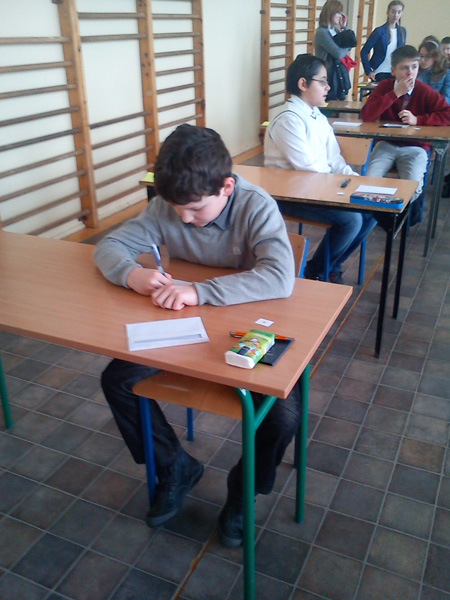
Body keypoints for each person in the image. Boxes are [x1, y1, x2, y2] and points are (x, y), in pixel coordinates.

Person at [94, 124, 301, 548]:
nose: (184, 219)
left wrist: (199, 291)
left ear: (226, 187)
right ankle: (175, 466)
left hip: (248, 327)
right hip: (187, 326)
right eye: (176, 210)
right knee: (116, 379)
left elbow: (280, 277)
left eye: (194, 210)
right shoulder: (168, 206)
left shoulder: (255, 206)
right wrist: (132, 274)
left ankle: (244, 491)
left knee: (283, 415)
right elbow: (109, 245)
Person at [264, 54, 376, 285]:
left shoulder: (317, 116)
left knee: (372, 212)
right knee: (351, 220)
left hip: (318, 188)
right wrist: (341, 188)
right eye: (322, 81)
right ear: (303, 84)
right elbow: (307, 168)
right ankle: (320, 269)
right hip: (291, 193)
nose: (328, 87)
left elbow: (334, 158)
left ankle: (326, 267)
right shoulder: (288, 119)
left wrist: (355, 181)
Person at [361, 45, 450, 224]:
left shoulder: (423, 90)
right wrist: (395, 94)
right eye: (404, 68)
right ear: (393, 70)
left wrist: (418, 120)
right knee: (368, 184)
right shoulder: (385, 87)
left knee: (413, 187)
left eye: (414, 67)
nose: (410, 73)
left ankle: (394, 219)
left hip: (415, 147)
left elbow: (447, 113)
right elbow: (366, 115)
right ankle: (384, 218)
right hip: (386, 144)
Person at [314, 0, 354, 100]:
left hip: (337, 74)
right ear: (330, 12)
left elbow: (350, 44)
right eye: (338, 13)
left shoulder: (334, 30)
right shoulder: (322, 32)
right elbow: (338, 53)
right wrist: (346, 47)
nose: (340, 16)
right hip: (327, 74)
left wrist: (343, 27)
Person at [360, 1, 406, 82]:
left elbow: (402, 53)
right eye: (393, 12)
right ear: (388, 12)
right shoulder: (379, 31)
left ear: (401, 13)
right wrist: (368, 71)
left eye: (399, 12)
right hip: (379, 71)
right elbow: (364, 51)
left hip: (395, 72)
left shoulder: (402, 31)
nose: (396, 15)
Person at [418, 39, 450, 104]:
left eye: (427, 56)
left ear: (435, 57)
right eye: (421, 56)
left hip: (437, 106)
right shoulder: (417, 71)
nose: (422, 60)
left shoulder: (446, 73)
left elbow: (446, 98)